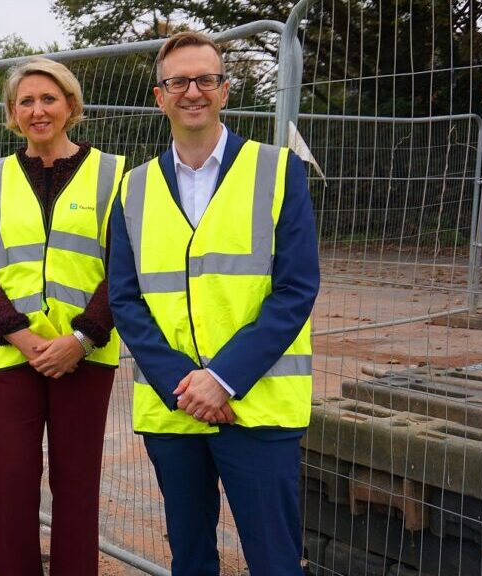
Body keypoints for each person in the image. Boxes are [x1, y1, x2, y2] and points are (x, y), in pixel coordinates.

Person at [108, 31, 320, 576]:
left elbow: (295, 289)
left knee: (274, 561)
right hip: (173, 407)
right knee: (191, 557)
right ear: (160, 96)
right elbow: (126, 298)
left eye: (205, 79)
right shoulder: (132, 188)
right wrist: (184, 383)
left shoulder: (277, 170)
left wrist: (222, 378)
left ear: (225, 90)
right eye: (178, 81)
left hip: (257, 406)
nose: (192, 91)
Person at [0, 57, 124, 576]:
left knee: (77, 484)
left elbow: (126, 268)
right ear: (12, 112)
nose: (38, 110)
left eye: (49, 99)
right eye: (26, 101)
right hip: (15, 353)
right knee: (10, 479)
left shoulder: (114, 174)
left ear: (71, 106)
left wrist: (83, 337)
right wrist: (20, 335)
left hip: (86, 353)